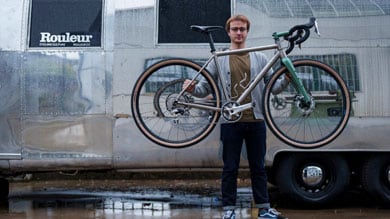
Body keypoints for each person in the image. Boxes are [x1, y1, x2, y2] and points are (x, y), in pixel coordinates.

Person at [183, 15, 289, 219]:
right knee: (229, 168)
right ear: (229, 32)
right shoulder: (221, 58)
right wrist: (191, 89)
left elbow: (273, 89)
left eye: (242, 29)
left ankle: (264, 209)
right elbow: (205, 87)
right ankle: (228, 210)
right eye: (235, 29)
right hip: (230, 122)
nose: (238, 33)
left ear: (247, 32)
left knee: (258, 167)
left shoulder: (260, 58)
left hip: (256, 120)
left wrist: (285, 79)